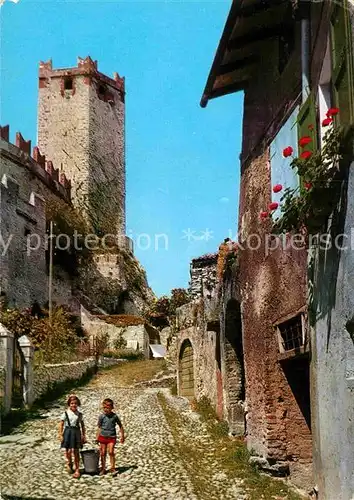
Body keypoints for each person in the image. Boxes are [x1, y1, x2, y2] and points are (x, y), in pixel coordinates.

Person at [58, 394, 86, 478]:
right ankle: (69, 462)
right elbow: (61, 424)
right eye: (72, 403)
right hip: (67, 432)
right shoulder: (66, 413)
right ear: (69, 404)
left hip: (76, 432)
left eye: (75, 403)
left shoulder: (79, 414)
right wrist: (60, 434)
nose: (73, 405)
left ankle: (77, 469)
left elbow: (82, 425)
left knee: (76, 451)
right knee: (68, 451)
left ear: (78, 404)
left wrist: (83, 435)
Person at [96, 398, 125, 475]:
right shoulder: (101, 417)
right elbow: (99, 427)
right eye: (104, 408)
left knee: (111, 451)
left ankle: (112, 468)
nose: (106, 409)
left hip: (111, 437)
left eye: (108, 408)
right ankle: (103, 468)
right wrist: (97, 437)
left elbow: (120, 425)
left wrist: (122, 436)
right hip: (102, 436)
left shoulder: (114, 416)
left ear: (112, 408)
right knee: (103, 453)